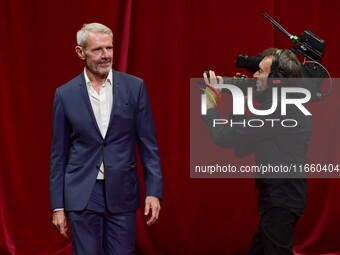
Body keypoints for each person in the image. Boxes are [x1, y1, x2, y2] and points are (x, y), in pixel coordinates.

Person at [50, 23, 163, 255]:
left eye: (109, 48)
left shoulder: (135, 87)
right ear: (80, 52)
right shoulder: (65, 94)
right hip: (82, 193)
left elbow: (148, 144)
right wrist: (57, 206)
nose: (106, 55)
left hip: (122, 190)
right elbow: (58, 154)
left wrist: (154, 191)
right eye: (97, 50)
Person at [203, 48, 311, 254]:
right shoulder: (280, 106)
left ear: (276, 80)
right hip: (277, 201)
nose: (254, 76)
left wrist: (210, 106)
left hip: (282, 201)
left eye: (261, 71)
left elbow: (223, 137)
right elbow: (242, 148)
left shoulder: (282, 109)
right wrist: (239, 100)